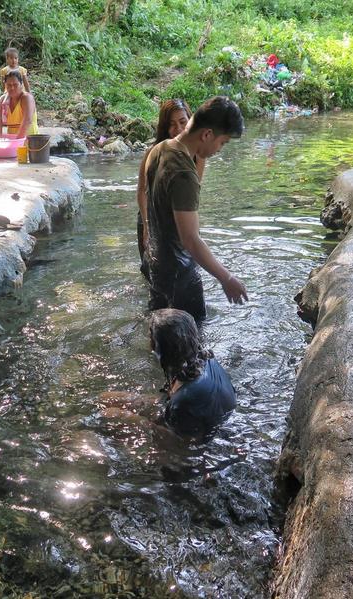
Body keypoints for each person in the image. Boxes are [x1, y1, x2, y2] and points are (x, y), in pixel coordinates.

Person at [144, 95, 248, 322]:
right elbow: (190, 239)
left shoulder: (159, 150)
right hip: (180, 274)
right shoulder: (184, 174)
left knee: (159, 336)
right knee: (192, 344)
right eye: (223, 142)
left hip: (157, 265)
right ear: (207, 134)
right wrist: (226, 278)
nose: (220, 149)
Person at [137, 99, 206, 282]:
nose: (178, 129)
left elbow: (193, 194)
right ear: (164, 127)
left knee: (186, 273)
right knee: (153, 276)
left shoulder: (198, 155)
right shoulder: (154, 152)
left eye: (183, 122)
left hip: (179, 216)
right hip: (151, 215)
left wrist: (193, 232)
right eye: (172, 124)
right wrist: (147, 227)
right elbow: (142, 191)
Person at [149, 309, 236, 438]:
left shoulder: (181, 403)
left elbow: (181, 446)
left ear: (159, 347)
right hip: (218, 419)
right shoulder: (208, 359)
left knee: (115, 414)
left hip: (206, 439)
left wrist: (143, 425)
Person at [0, 70, 39, 138]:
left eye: (15, 85)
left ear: (21, 85)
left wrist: (17, 141)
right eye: (9, 85)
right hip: (13, 142)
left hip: (31, 142)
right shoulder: (2, 100)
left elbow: (27, 121)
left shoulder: (27, 98)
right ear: (5, 85)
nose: (12, 88)